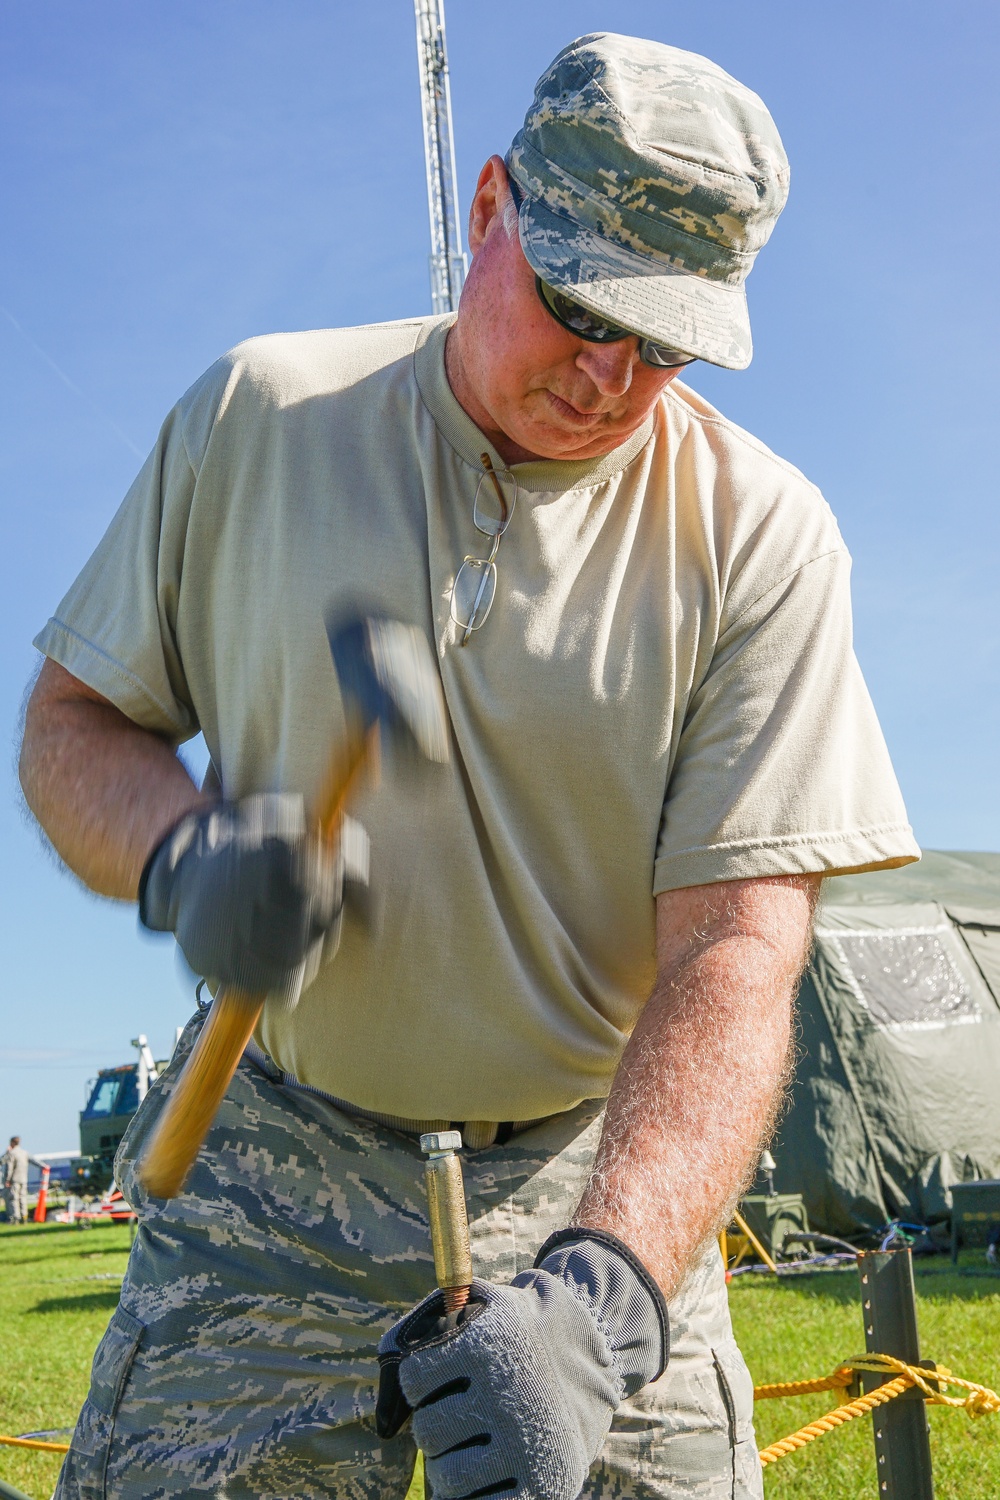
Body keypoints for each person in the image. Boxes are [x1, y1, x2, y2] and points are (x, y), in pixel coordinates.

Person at [19, 31, 919, 1500]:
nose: (610, 377)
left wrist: (610, 1295)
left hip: (597, 1173)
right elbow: (73, 728)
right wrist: (182, 853)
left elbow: (741, 950)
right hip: (272, 1158)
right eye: (579, 306)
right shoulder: (259, 419)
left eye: (665, 341)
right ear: (491, 206)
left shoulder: (763, 536)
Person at [2, 1136, 33, 1225]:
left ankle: (16, 1218)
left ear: (12, 1143)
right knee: (23, 1198)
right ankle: (25, 1217)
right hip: (23, 1179)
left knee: (13, 1199)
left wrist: (8, 1179)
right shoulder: (24, 1152)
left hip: (14, 1180)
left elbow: (9, 1168)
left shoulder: (11, 1153)